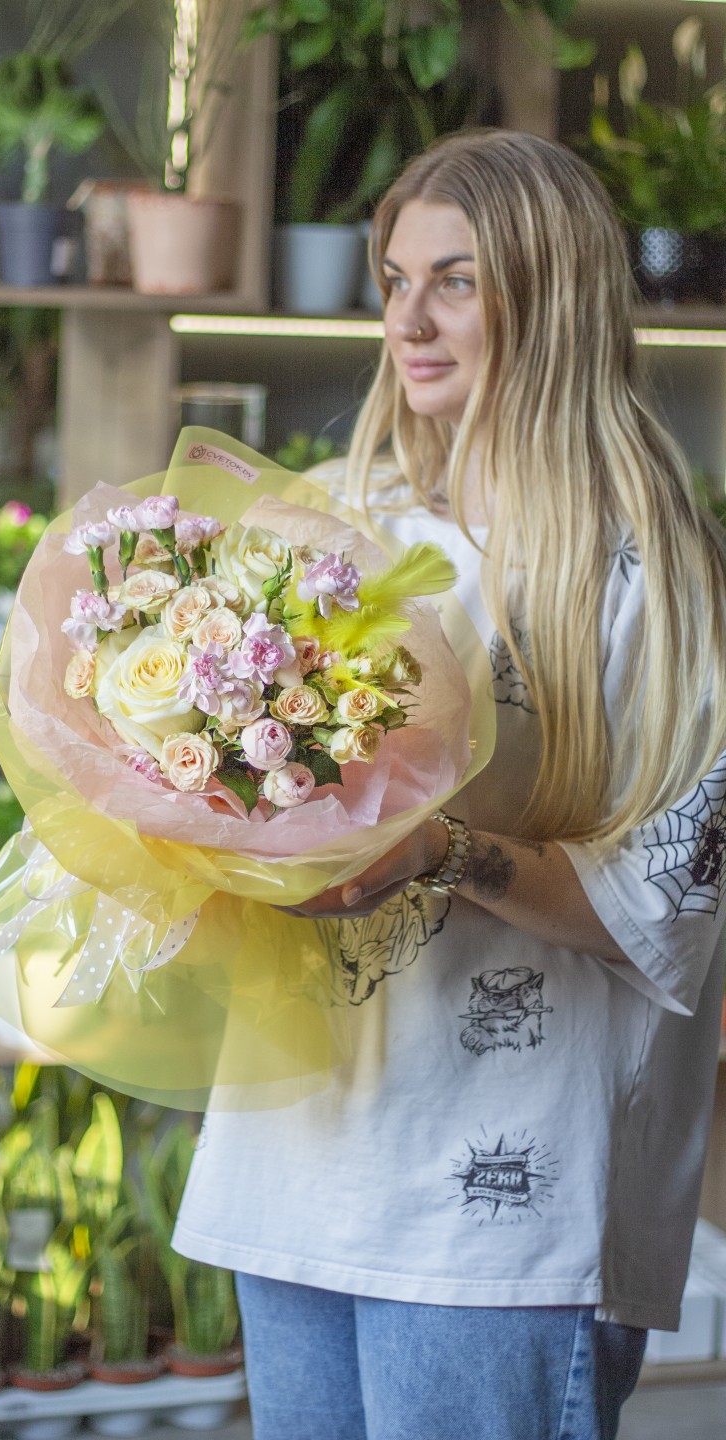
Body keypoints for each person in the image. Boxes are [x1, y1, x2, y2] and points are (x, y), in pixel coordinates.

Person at [170, 129, 726, 1440]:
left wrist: (441, 849)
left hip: (500, 1226)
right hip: (296, 1177)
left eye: (457, 281)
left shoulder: (653, 575)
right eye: (393, 278)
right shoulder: (337, 531)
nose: (409, 320)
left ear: (553, 292)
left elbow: (678, 905)